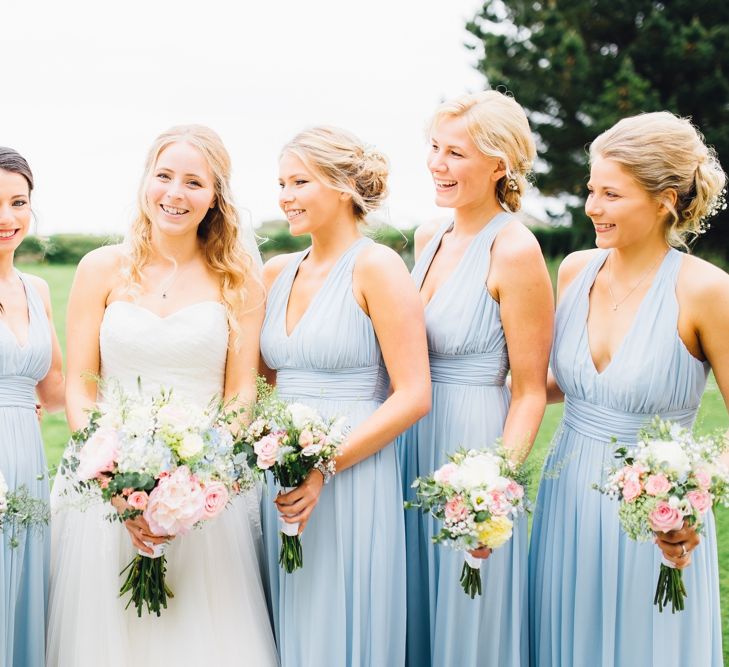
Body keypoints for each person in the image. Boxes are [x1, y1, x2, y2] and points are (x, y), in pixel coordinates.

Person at [46, 126, 278, 666]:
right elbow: (81, 386)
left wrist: (201, 475)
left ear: (216, 197)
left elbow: (241, 391)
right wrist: (111, 479)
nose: (175, 193)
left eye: (194, 182)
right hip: (103, 486)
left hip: (202, 493)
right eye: (164, 176)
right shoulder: (100, 269)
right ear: (146, 181)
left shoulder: (238, 280)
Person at [529, 111, 728, 666]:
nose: (592, 207)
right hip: (566, 493)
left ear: (665, 199)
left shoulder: (706, 291)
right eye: (592, 190)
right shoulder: (574, 270)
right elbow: (554, 385)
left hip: (655, 511)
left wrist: (690, 502)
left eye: (611, 194)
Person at [259, 126, 431, 666]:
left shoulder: (377, 266)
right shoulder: (274, 272)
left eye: (299, 181)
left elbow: (414, 393)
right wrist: (275, 451)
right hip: (282, 472)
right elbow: (264, 385)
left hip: (352, 473)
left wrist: (323, 467)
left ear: (341, 187)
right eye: (281, 183)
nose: (285, 195)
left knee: (345, 619)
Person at [397, 90, 553, 666]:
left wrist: (493, 493)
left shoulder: (515, 250)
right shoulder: (427, 237)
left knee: (470, 612)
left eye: (455, 153)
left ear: (498, 164)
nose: (437, 164)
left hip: (472, 443)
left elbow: (531, 390)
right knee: (415, 605)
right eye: (435, 148)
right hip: (409, 439)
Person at [0, 147, 64, 667]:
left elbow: (57, 390)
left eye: (18, 202)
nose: (7, 218)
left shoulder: (37, 289)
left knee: (22, 595)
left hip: (30, 469)